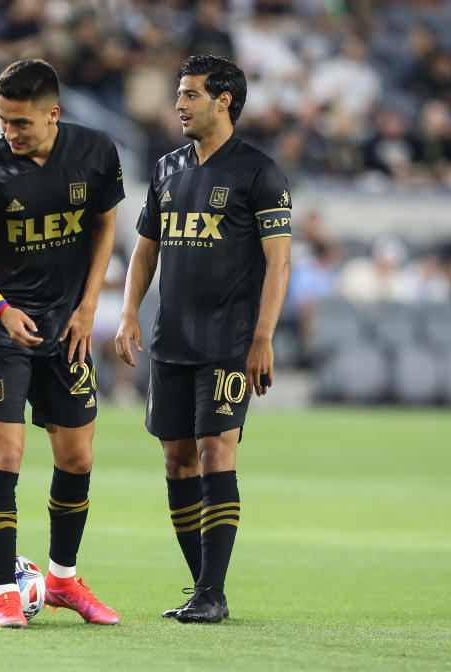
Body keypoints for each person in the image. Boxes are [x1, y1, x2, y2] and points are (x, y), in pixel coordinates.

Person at [0, 59, 123, 629]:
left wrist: (89, 307)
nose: (9, 133)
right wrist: (0, 306)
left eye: (20, 122)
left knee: (77, 455)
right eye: (2, 120)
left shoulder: (97, 153)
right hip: (2, 327)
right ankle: (4, 589)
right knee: (6, 454)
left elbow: (105, 224)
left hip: (65, 326)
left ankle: (63, 580)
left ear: (53, 113)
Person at [116, 55, 292, 624]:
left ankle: (212, 593)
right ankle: (202, 587)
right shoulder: (166, 169)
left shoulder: (259, 173)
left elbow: (279, 263)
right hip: (172, 341)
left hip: (228, 343)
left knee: (218, 449)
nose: (179, 104)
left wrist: (263, 336)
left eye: (191, 94)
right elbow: (146, 250)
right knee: (176, 461)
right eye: (179, 93)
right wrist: (129, 314)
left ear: (224, 101)